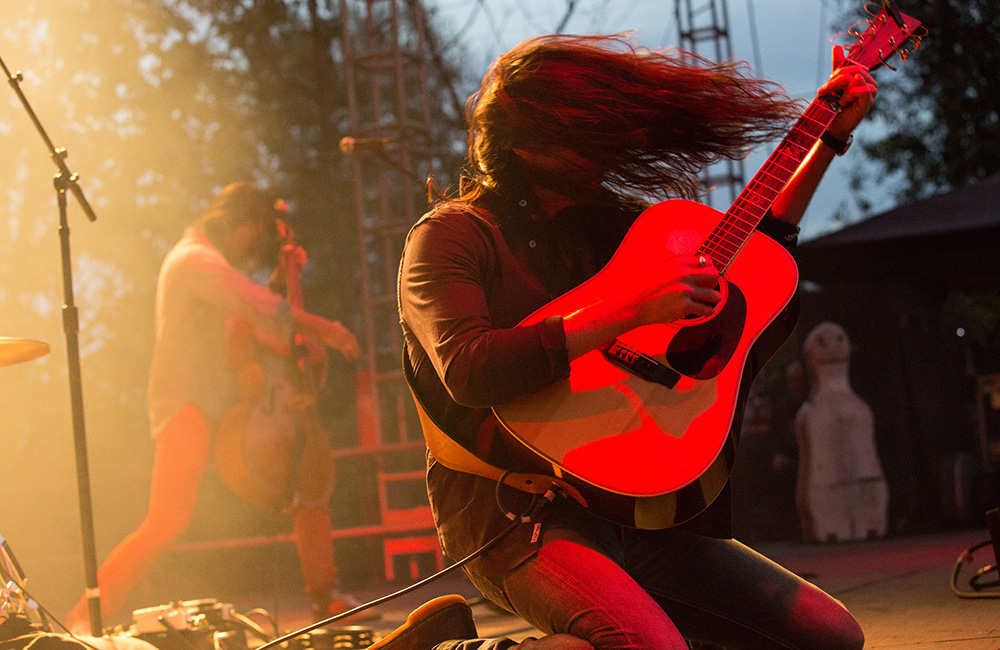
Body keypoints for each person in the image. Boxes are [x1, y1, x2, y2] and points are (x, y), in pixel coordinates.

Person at [393, 34, 877, 650]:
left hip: (639, 510)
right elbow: (469, 368)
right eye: (585, 126)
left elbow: (750, 257)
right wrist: (630, 309)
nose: (607, 140)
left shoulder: (616, 223)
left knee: (832, 637)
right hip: (518, 514)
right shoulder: (451, 236)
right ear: (524, 144)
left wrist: (825, 138)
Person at [67, 182, 362, 632]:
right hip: (184, 402)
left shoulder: (200, 260)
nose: (251, 246)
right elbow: (255, 305)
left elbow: (249, 315)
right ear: (239, 225)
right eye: (253, 234)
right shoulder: (194, 259)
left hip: (194, 403)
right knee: (164, 522)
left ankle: (89, 615)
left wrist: (283, 283)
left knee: (168, 521)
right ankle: (85, 616)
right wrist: (328, 329)